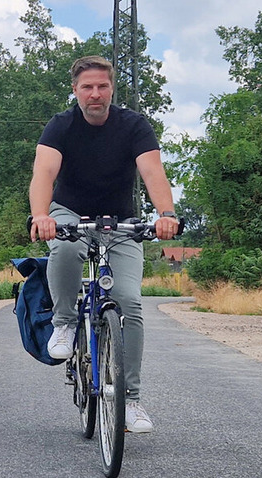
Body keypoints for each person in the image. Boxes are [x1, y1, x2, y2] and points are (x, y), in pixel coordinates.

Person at [29, 55, 180, 434]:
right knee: (64, 248)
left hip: (120, 221)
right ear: (76, 91)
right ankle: (64, 323)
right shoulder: (61, 126)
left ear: (112, 88)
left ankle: (129, 401)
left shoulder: (133, 125)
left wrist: (165, 212)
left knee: (129, 300)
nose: (95, 94)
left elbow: (152, 171)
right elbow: (43, 173)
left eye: (102, 86)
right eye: (87, 87)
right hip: (70, 212)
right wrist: (40, 216)